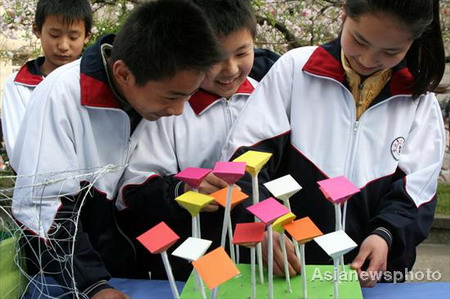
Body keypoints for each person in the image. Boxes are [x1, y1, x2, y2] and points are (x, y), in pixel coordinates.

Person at [221, 0, 447, 288]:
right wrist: (262, 223)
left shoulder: (419, 101)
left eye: (390, 52)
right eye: (359, 40)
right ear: (344, 14)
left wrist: (386, 234)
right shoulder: (295, 70)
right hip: (285, 269)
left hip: (368, 277)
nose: (366, 59)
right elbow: (243, 160)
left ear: (414, 41)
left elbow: (418, 191)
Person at [11, 0, 223, 298]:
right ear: (123, 73)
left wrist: (178, 191)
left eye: (188, 96)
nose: (178, 110)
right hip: (68, 278)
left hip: (128, 271)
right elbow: (42, 208)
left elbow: (135, 189)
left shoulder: (151, 103)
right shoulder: (61, 96)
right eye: (172, 97)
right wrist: (94, 284)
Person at [116, 0, 279, 280]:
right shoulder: (168, 111)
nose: (230, 69)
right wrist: (182, 190)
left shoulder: (270, 96)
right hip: (193, 268)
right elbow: (131, 193)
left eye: (242, 53)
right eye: (216, 59)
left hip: (267, 261)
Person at [1, 0, 92, 158]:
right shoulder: (18, 85)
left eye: (73, 37)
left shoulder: (94, 82)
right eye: (54, 35)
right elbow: (20, 150)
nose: (63, 45)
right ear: (37, 30)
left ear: (87, 36)